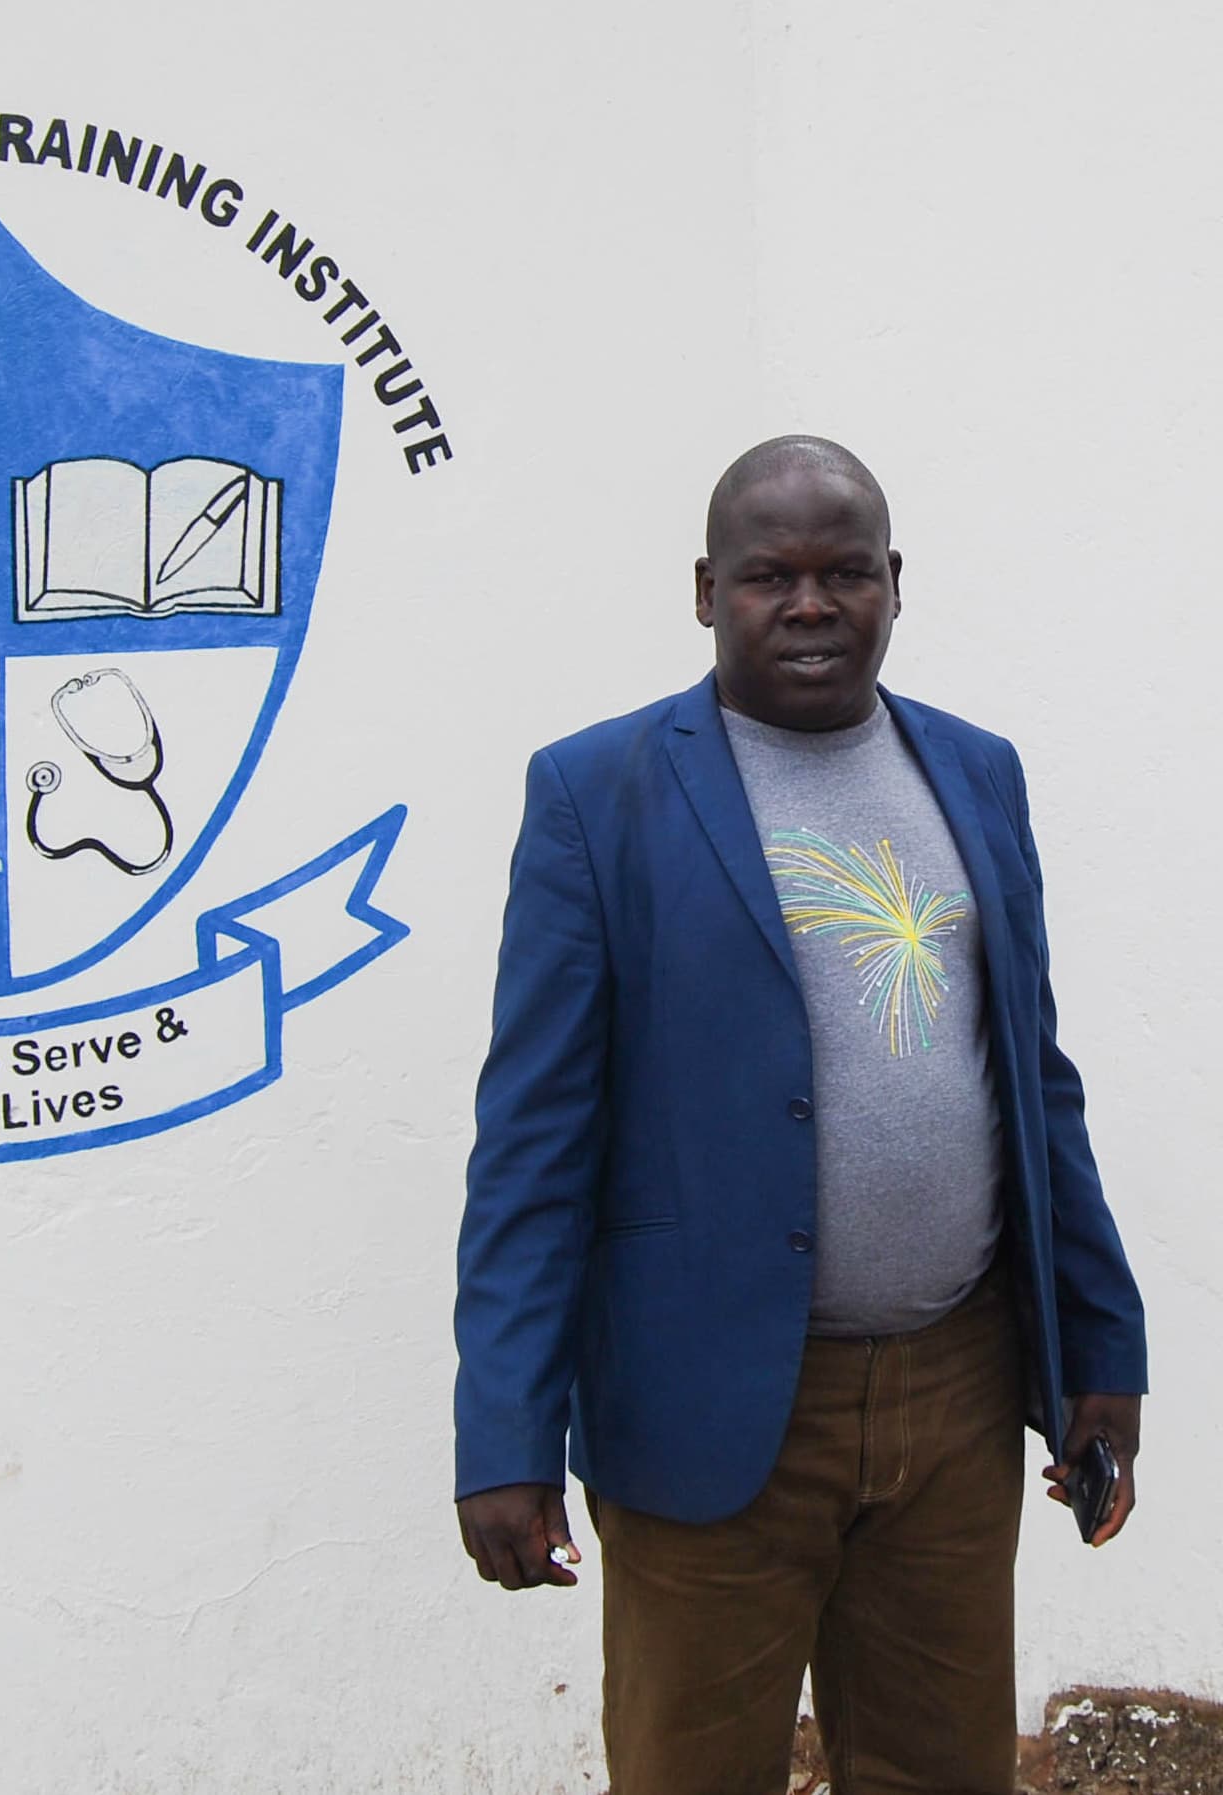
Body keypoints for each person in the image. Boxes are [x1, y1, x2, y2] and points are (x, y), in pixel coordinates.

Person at [452, 437, 1147, 1795]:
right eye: (773, 575)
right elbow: (532, 1150)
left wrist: (1098, 1351)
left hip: (956, 1396)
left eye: (847, 572)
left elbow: (1034, 1082)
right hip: (707, 1409)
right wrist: (506, 1434)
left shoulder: (978, 774)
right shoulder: (598, 798)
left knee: (944, 1771)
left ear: (898, 584)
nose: (813, 603)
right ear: (707, 592)